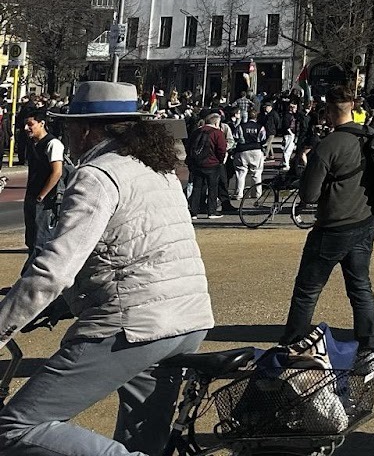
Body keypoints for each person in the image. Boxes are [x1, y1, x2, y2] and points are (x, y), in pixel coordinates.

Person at [0, 82, 214, 455]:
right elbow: (133, 252)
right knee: (142, 441)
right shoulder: (157, 169)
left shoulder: (96, 175)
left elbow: (54, 269)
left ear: (86, 129)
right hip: (187, 318)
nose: (66, 134)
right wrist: (65, 304)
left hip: (133, 324)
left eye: (67, 126)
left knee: (15, 427)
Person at [281, 84, 374, 353]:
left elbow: (309, 194)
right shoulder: (371, 137)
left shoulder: (328, 145)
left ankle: (293, 342)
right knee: (360, 286)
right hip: (365, 220)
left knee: (307, 289)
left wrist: (306, 168)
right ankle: (368, 343)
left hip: (334, 225)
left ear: (328, 110)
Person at [20, 108, 64, 256]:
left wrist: (42, 196)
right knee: (31, 239)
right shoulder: (32, 143)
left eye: (30, 124)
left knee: (41, 240)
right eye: (25, 124)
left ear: (42, 123)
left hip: (45, 200)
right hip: (31, 195)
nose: (26, 128)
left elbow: (57, 172)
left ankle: (36, 268)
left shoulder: (53, 144)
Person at [189, 111, 229, 219]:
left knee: (197, 188)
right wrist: (220, 161)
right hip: (212, 163)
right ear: (216, 123)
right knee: (213, 188)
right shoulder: (217, 133)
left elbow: (189, 146)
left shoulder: (196, 132)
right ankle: (211, 211)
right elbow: (221, 149)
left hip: (198, 163)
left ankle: (194, 212)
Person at [229, 107, 269, 206]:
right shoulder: (260, 127)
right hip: (256, 150)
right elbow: (263, 139)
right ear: (256, 117)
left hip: (242, 150)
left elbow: (235, 137)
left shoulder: (241, 126)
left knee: (241, 173)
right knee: (257, 173)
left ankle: (238, 194)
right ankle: (257, 193)